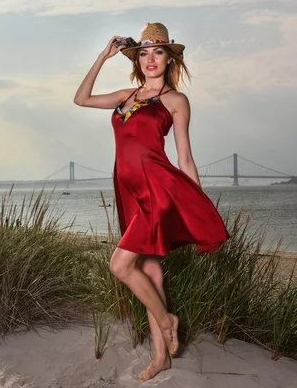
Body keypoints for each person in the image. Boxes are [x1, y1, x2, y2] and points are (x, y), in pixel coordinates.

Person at [74, 22, 230, 381]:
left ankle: (166, 320)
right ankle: (161, 357)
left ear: (169, 57)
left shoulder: (175, 100)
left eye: (158, 52)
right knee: (149, 271)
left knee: (120, 266)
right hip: (128, 193)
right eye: (143, 53)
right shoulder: (126, 96)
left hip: (155, 192)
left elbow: (184, 157)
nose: (150, 59)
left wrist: (200, 205)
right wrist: (102, 56)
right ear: (137, 59)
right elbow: (81, 99)